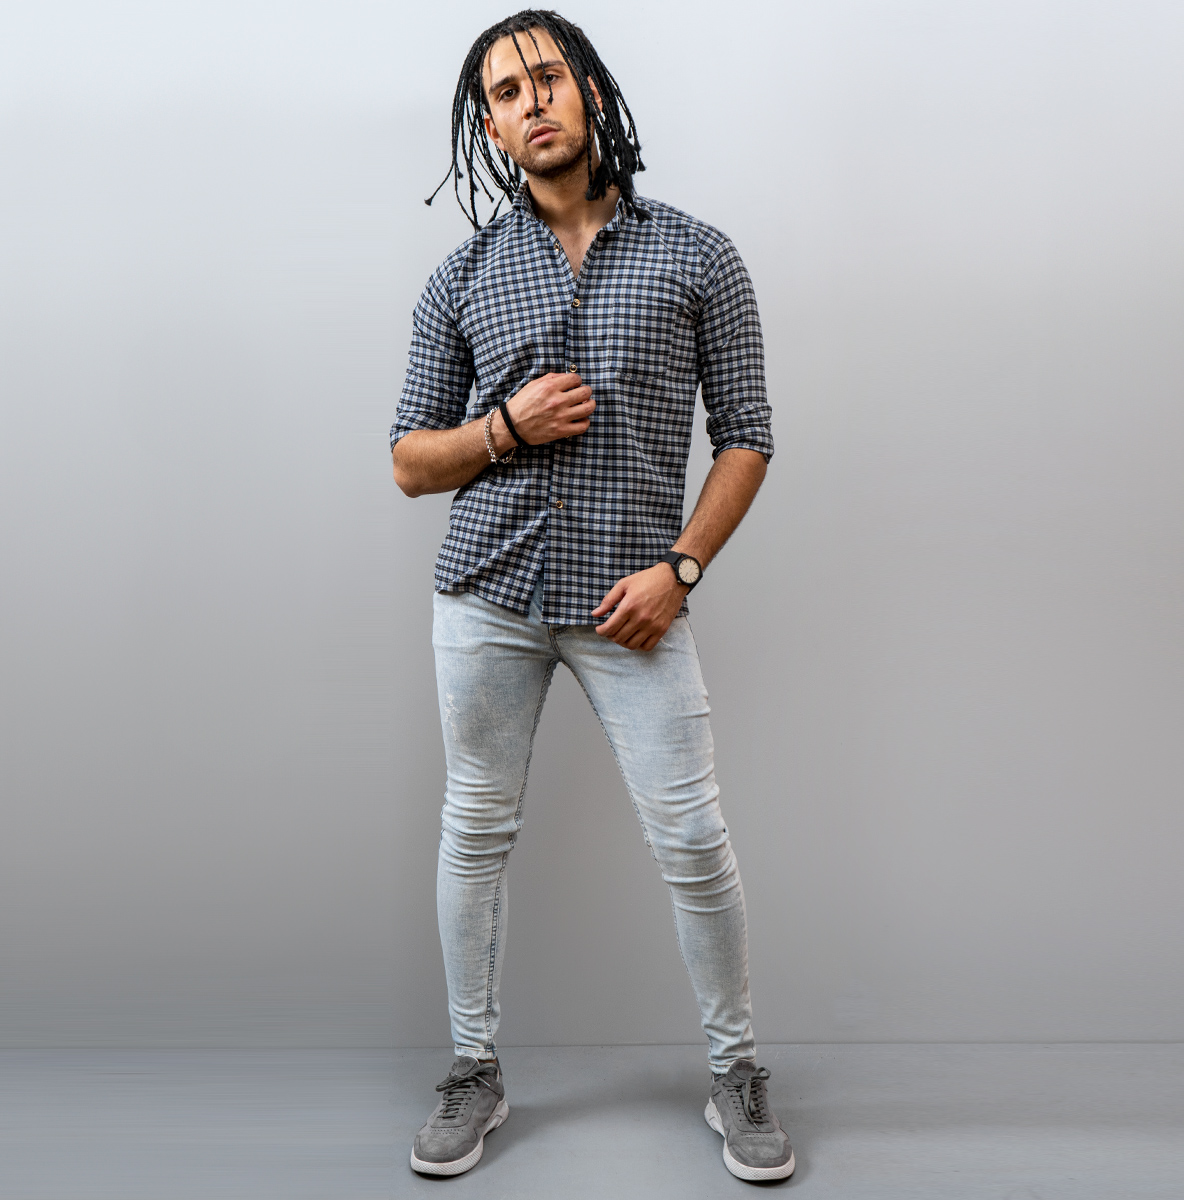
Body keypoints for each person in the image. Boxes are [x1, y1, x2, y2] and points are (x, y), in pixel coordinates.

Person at [390, 9, 792, 1183]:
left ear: (593, 94)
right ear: (491, 128)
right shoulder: (461, 278)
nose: (532, 102)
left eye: (548, 79)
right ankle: (473, 1069)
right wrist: (504, 429)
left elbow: (749, 436)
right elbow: (410, 460)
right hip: (488, 596)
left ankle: (736, 1071)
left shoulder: (699, 256)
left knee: (693, 839)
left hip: (634, 603)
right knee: (475, 832)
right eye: (506, 93)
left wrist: (681, 570)